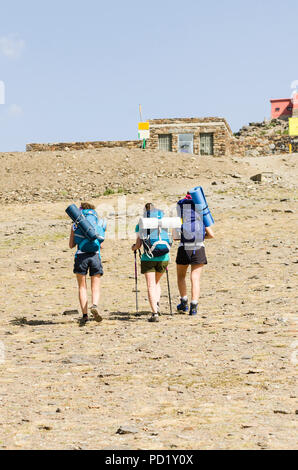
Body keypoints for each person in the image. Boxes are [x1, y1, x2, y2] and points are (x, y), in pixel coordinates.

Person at [175, 193, 214, 316]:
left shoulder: (181, 215)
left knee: (181, 276)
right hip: (199, 247)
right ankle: (194, 306)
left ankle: (184, 302)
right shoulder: (201, 215)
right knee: (195, 278)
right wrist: (200, 237)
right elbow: (212, 235)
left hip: (184, 248)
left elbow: (176, 237)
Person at [131, 203, 172, 323]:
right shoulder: (163, 221)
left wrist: (133, 248)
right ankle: (157, 304)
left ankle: (154, 312)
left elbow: (138, 245)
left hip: (148, 258)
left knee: (150, 285)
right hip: (164, 257)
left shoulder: (141, 224)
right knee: (156, 282)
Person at [69, 202, 105, 324]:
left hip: (81, 256)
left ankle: (84, 316)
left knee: (82, 287)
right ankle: (94, 305)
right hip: (95, 256)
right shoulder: (98, 223)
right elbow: (101, 243)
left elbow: (71, 245)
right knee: (95, 286)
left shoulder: (76, 224)